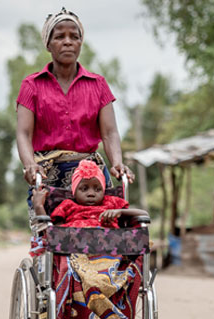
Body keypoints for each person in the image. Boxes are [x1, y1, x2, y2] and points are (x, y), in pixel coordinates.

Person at [16, 7, 134, 202]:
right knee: (49, 230)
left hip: (91, 178)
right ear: (48, 44)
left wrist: (118, 163)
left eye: (74, 37)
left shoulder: (98, 84)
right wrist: (29, 164)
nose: (68, 42)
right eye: (60, 37)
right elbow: (23, 133)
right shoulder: (32, 85)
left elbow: (110, 132)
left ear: (81, 42)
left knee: (100, 231)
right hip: (47, 176)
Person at [31, 160, 147, 319]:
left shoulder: (113, 203)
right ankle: (92, 298)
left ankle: (104, 298)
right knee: (70, 266)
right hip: (76, 256)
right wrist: (38, 206)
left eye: (97, 188)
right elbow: (52, 231)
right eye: (84, 188)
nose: (91, 193)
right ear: (74, 191)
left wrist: (119, 212)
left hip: (111, 257)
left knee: (127, 263)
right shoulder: (68, 206)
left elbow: (142, 214)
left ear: (104, 190)